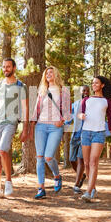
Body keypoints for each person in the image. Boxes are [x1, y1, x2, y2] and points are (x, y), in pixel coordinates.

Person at [0, 58, 29, 198]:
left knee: (3, 150)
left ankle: (8, 182)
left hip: (10, 123)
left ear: (14, 68)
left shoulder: (21, 86)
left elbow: (25, 107)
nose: (6, 69)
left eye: (8, 67)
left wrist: (25, 128)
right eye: (4, 67)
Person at [29, 66, 71, 199]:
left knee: (48, 157)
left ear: (56, 74)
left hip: (55, 127)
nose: (48, 74)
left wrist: (63, 121)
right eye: (47, 73)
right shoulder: (42, 91)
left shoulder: (63, 90)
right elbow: (36, 110)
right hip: (41, 126)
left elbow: (68, 112)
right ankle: (40, 188)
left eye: (51, 72)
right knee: (40, 158)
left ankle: (57, 176)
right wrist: (31, 126)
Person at [78, 76, 111, 202]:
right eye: (93, 83)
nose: (93, 85)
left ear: (102, 85)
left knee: (94, 162)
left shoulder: (107, 101)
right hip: (86, 133)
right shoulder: (86, 100)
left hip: (99, 133)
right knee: (87, 163)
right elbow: (79, 113)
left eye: (96, 83)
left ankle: (88, 192)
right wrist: (80, 115)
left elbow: (110, 120)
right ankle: (92, 188)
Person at [65, 85, 90, 194]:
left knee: (80, 159)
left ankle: (76, 185)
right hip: (75, 134)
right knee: (72, 159)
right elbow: (69, 118)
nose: (85, 92)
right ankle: (81, 175)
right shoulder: (75, 104)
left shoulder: (91, 103)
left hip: (85, 134)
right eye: (83, 91)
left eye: (87, 91)